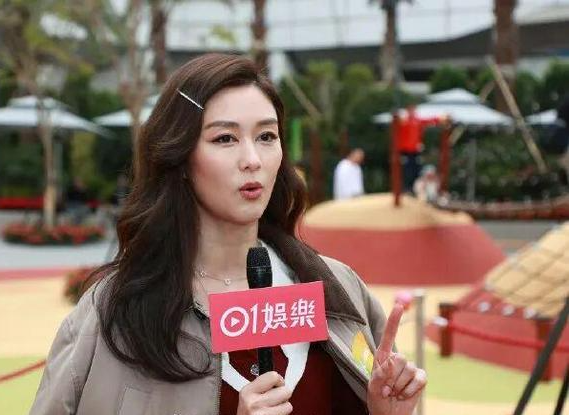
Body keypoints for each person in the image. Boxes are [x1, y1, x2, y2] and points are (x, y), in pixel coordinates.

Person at [31, 54, 426, 415]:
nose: (252, 160)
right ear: (180, 158)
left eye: (266, 136)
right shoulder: (113, 314)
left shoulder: (338, 288)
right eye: (225, 138)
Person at [396, 105, 445, 193]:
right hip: (405, 151)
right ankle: (406, 188)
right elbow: (399, 123)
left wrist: (439, 118)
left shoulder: (417, 121)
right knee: (406, 170)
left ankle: (413, 189)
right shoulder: (404, 121)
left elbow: (428, 121)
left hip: (415, 151)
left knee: (416, 170)